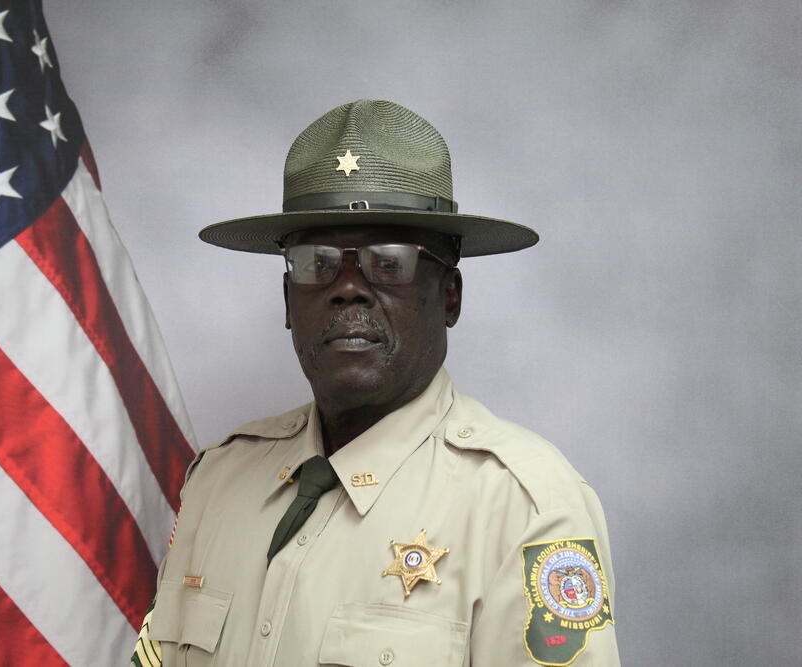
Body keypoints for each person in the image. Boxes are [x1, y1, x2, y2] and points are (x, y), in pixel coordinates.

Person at [131, 100, 620, 666]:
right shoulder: (218, 480)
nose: (348, 289)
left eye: (389, 263)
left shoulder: (523, 506)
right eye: (316, 262)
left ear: (451, 296)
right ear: (289, 301)